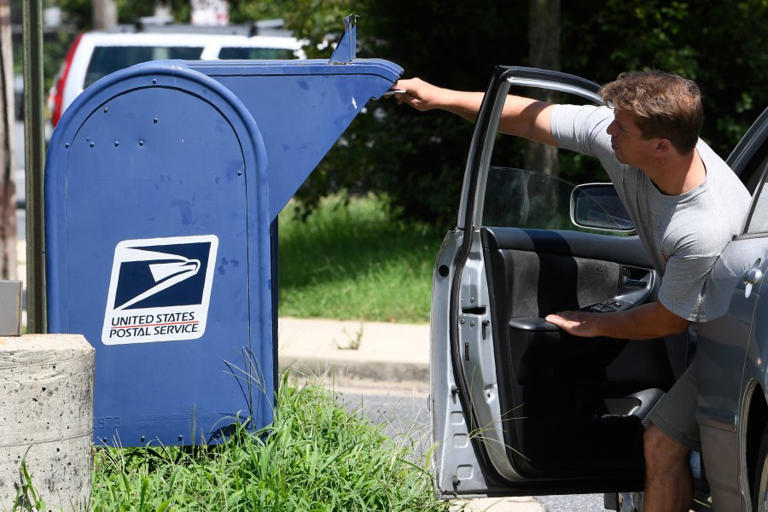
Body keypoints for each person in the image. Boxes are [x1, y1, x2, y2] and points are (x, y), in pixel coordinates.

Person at [393, 71, 750, 512]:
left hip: (737, 341)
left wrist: (596, 323)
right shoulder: (631, 142)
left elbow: (669, 319)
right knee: (661, 444)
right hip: (713, 323)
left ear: (660, 146)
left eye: (621, 126)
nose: (609, 128)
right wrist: (439, 94)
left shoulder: (702, 227)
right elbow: (531, 118)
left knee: (661, 444)